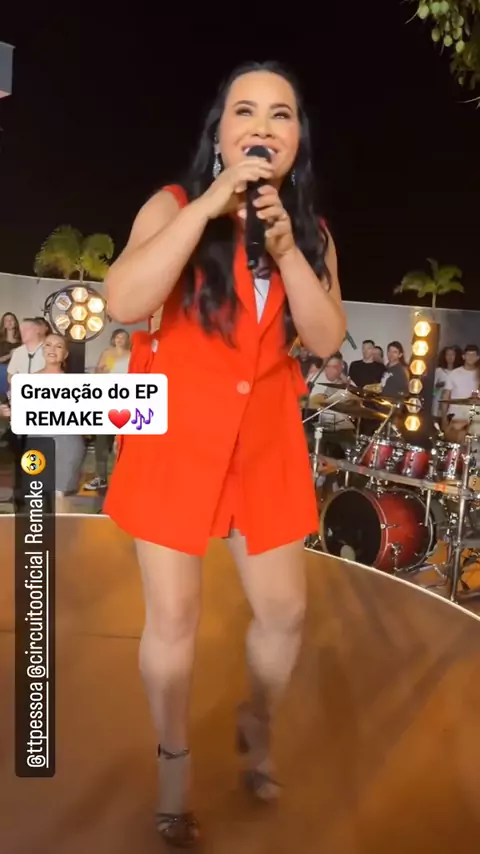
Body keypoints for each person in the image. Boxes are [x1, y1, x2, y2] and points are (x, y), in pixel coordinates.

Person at [103, 61, 345, 846]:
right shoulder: (174, 205)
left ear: (297, 140)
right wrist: (210, 205)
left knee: (285, 613)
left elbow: (326, 338)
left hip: (266, 443)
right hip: (174, 436)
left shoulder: (310, 231)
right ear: (220, 133)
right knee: (173, 617)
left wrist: (288, 249)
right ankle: (174, 767)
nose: (263, 126)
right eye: (246, 111)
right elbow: (123, 299)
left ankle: (256, 718)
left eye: (281, 114)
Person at [0, 333, 87, 513]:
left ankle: (63, 531)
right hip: (36, 445)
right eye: (48, 345)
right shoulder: (26, 381)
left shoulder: (76, 384)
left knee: (60, 497)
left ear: (65, 354)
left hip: (66, 445)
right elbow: (20, 417)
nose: (52, 349)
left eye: (58, 346)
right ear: (42, 350)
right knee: (36, 498)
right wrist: (8, 413)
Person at [83, 328, 131, 493]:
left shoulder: (132, 355)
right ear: (113, 339)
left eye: (123, 337)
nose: (120, 340)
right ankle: (101, 477)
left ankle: (125, 478)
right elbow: (98, 373)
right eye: (118, 337)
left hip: (126, 400)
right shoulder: (107, 353)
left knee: (124, 443)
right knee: (101, 441)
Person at [440, 344, 480, 443]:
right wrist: (444, 418)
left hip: (474, 416)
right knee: (457, 441)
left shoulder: (478, 374)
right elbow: (446, 396)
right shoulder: (454, 373)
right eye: (468, 355)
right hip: (456, 415)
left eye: (473, 355)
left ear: (477, 358)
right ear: (463, 356)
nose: (471, 358)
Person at [432, 345, 463, 418]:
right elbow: (433, 391)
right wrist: (440, 386)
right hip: (438, 403)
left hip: (454, 405)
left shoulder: (459, 372)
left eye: (452, 354)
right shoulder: (439, 371)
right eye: (448, 354)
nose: (450, 357)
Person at [0, 312, 21, 395]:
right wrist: (10, 355)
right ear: (3, 324)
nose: (9, 322)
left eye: (11, 319)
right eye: (6, 320)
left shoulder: (22, 342)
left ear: (15, 323)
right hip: (3, 372)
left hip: (18, 373)